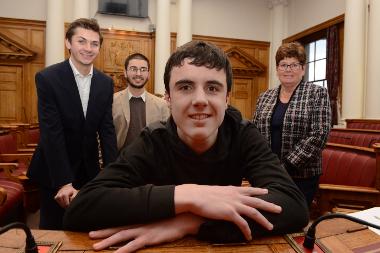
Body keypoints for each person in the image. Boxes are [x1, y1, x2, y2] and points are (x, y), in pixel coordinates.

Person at [63, 40, 308, 252]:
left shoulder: (243, 133)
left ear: (227, 98)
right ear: (167, 98)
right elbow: (82, 208)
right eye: (185, 87)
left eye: (212, 88)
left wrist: (190, 222)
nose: (200, 100)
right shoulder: (152, 140)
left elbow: (294, 207)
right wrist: (188, 195)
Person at [27, 18, 117, 229]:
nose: (88, 48)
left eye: (94, 44)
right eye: (81, 41)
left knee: (87, 231)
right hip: (54, 171)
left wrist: (113, 177)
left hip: (89, 172)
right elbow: (51, 133)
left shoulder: (106, 83)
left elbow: (107, 132)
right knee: (53, 232)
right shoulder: (48, 78)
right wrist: (63, 181)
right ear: (68, 43)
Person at [253, 42, 331, 208]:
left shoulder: (317, 93)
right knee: (267, 217)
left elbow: (319, 134)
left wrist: (286, 166)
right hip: (267, 174)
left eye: (294, 64)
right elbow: (254, 132)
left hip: (301, 176)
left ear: (303, 69)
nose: (288, 69)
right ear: (277, 69)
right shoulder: (264, 97)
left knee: (294, 220)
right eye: (283, 64)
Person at [113, 53, 170, 150]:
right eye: (133, 69)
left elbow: (167, 138)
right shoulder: (112, 101)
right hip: (119, 161)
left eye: (143, 69)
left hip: (151, 162)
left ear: (148, 74)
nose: (138, 74)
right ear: (125, 72)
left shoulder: (162, 105)